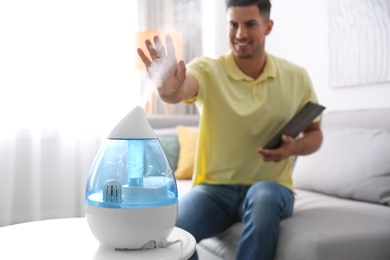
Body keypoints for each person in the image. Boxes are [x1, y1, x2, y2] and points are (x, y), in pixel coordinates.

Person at [137, 0, 323, 259]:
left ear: (268, 27)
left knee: (264, 197)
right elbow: (181, 89)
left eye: (250, 24)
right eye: (233, 24)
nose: (239, 34)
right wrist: (169, 89)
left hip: (270, 186)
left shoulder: (296, 76)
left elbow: (315, 133)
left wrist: (296, 147)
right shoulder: (208, 69)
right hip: (214, 190)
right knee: (169, 236)